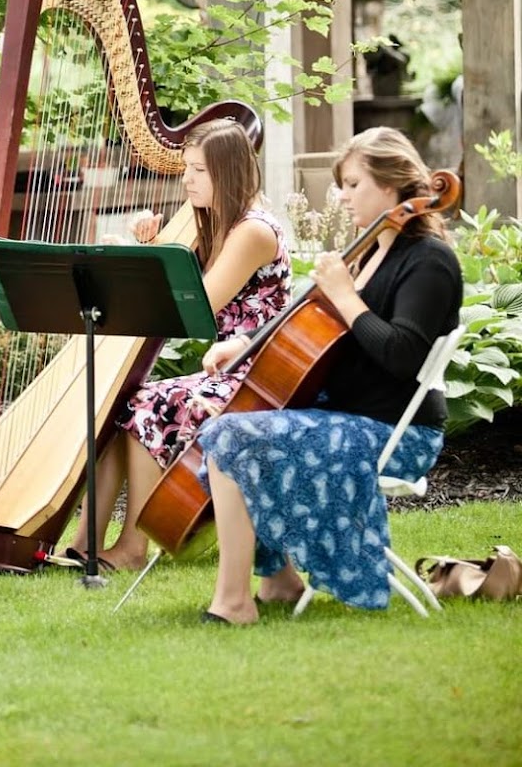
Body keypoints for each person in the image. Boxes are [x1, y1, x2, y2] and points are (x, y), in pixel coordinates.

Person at [197, 126, 463, 624]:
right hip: (348, 414)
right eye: (342, 184)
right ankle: (277, 580)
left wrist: (344, 293)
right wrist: (244, 344)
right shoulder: (370, 251)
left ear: (393, 186)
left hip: (395, 433)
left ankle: (235, 601)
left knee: (231, 435)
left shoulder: (429, 262)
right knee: (224, 424)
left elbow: (402, 354)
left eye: (354, 184)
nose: (341, 196)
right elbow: (320, 334)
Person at [65, 117, 292, 572]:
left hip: (259, 376)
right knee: (119, 403)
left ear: (227, 174)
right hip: (228, 370)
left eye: (199, 171)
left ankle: (132, 548)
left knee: (148, 403)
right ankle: (86, 540)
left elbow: (196, 307)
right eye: (186, 168)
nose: (186, 179)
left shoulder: (253, 231)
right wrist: (148, 248)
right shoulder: (218, 224)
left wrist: (144, 264)